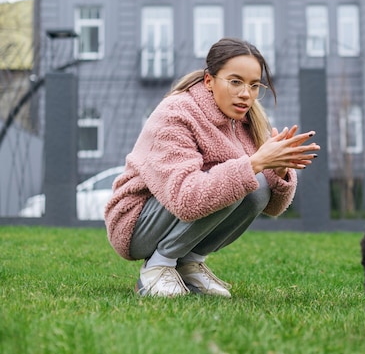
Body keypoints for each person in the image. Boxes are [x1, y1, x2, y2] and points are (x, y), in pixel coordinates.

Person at [104, 37, 320, 297]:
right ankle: (157, 266)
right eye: (235, 81)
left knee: (254, 184)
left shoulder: (246, 120)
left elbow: (270, 205)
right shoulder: (177, 113)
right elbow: (187, 198)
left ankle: (189, 263)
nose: (245, 94)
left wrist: (280, 168)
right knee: (233, 178)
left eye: (254, 85)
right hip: (136, 223)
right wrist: (255, 163)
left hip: (178, 212)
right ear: (209, 81)